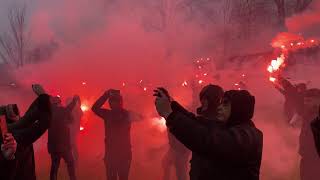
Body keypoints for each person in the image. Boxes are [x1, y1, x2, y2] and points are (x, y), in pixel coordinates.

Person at [154, 88, 263, 180]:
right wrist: (171, 104)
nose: (219, 107)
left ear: (238, 108)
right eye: (220, 103)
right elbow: (196, 121)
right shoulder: (228, 128)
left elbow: (206, 140)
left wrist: (169, 115)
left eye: (225, 104)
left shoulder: (247, 136)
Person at [0, 84, 52, 180]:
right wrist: (43, 97)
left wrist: (42, 98)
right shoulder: (15, 135)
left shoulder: (11, 131)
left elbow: (29, 116)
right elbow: (42, 122)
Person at [92, 89, 142, 180]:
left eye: (114, 101)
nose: (113, 104)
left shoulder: (108, 114)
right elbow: (142, 117)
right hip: (118, 154)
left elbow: (95, 108)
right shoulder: (127, 114)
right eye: (112, 102)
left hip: (118, 154)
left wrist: (106, 95)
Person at [49, 95, 79, 180]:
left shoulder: (49, 113)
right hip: (64, 145)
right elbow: (69, 109)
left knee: (54, 167)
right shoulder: (62, 111)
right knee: (70, 163)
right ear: (59, 103)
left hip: (53, 146)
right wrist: (74, 100)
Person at [299, 88, 320, 180]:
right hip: (306, 158)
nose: (305, 103)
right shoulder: (307, 115)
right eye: (305, 101)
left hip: (316, 160)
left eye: (309, 101)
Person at [66, 95, 83, 165]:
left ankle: (74, 161)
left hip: (72, 130)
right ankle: (72, 161)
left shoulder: (76, 110)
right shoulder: (77, 109)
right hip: (71, 130)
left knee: (72, 145)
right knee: (70, 145)